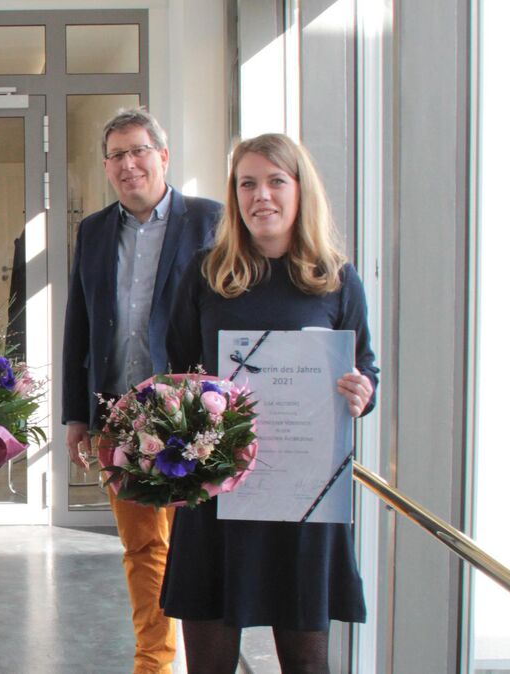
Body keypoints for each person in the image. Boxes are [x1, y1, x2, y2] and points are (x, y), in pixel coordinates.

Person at [162, 133, 378, 674]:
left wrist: (362, 393)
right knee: (208, 665)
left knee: (307, 665)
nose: (262, 196)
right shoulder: (208, 272)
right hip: (219, 493)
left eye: (276, 181)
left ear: (301, 190)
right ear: (234, 196)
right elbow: (180, 371)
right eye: (247, 184)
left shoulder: (336, 279)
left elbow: (365, 367)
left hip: (302, 496)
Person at [61, 108, 220, 674]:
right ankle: (154, 661)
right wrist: (76, 414)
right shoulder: (94, 231)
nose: (129, 164)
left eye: (139, 151)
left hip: (196, 417)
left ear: (163, 157)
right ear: (106, 167)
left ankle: (205, 657)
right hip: (119, 415)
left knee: (195, 547)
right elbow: (78, 321)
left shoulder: (209, 220)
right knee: (142, 547)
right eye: (117, 155)